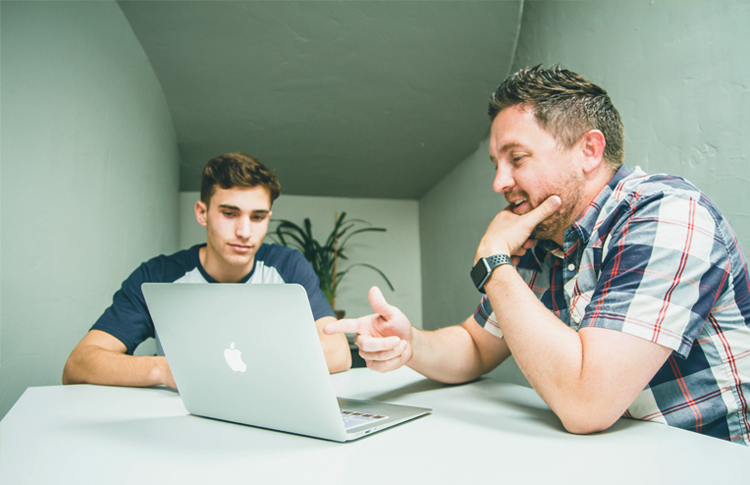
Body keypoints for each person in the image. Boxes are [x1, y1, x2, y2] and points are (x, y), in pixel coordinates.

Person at [325, 65, 750, 445]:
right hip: (618, 455)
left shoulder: (667, 215)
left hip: (712, 458)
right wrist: (411, 343)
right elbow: (476, 345)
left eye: (517, 158)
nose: (499, 182)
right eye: (496, 163)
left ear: (589, 150)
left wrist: (493, 261)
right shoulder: (545, 238)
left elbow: (587, 404)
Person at [64, 152, 351, 388]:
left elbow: (338, 352)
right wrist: (165, 370)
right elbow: (79, 363)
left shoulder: (287, 266)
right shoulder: (158, 276)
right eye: (229, 213)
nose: (244, 231)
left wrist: (237, 366)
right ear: (202, 213)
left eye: (258, 217)